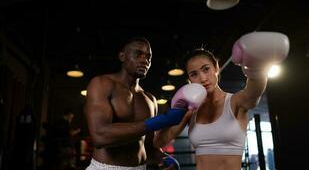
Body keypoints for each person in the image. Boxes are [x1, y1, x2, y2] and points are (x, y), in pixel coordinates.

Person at [153, 31, 289, 170]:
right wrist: (172, 115)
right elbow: (159, 142)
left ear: (216, 68)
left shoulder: (235, 102)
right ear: (189, 80)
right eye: (194, 74)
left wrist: (256, 66)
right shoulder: (190, 111)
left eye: (206, 69)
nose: (203, 78)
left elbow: (254, 91)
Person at [84, 37, 189, 170]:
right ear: (122, 56)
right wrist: (155, 122)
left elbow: (148, 145)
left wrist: (163, 157)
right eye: (138, 54)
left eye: (148, 57)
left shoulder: (150, 99)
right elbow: (99, 136)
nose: (145, 60)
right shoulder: (102, 84)